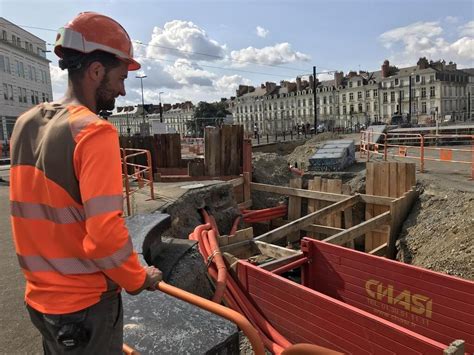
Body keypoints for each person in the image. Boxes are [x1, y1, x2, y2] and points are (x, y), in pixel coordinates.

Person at [9, 12, 162, 354]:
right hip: (84, 308)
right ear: (95, 71)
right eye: (120, 78)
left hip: (41, 302)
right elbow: (104, 235)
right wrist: (139, 279)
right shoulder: (94, 132)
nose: (123, 90)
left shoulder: (25, 123)